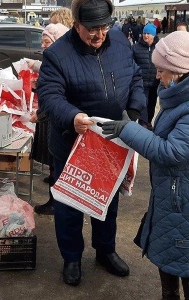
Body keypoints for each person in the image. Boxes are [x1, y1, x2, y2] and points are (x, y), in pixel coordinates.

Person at [37, 0, 146, 286]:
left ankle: (105, 250)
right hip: (72, 141)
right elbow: (49, 96)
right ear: (76, 25)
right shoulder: (58, 55)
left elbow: (135, 76)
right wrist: (72, 116)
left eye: (103, 27)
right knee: (69, 204)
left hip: (110, 141)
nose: (98, 35)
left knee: (107, 200)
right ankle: (72, 257)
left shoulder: (120, 42)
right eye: (91, 30)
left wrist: (133, 110)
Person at [101, 30, 189, 300]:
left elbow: (173, 151)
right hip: (173, 194)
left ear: (178, 70)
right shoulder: (177, 96)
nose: (158, 77)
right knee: (169, 259)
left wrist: (128, 131)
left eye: (161, 70)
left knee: (183, 262)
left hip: (181, 198)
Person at [27, 23, 69, 215]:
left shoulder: (59, 62)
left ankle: (55, 203)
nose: (42, 46)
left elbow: (58, 98)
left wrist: (40, 114)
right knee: (53, 161)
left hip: (56, 121)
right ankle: (55, 200)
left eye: (46, 42)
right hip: (51, 118)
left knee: (56, 161)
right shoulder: (58, 59)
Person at [133, 23, 159, 129]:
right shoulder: (135, 48)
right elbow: (132, 64)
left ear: (153, 35)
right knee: (143, 102)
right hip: (141, 82)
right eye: (144, 33)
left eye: (148, 33)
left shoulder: (158, 48)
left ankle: (148, 122)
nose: (146, 35)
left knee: (152, 104)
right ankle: (142, 123)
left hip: (154, 82)